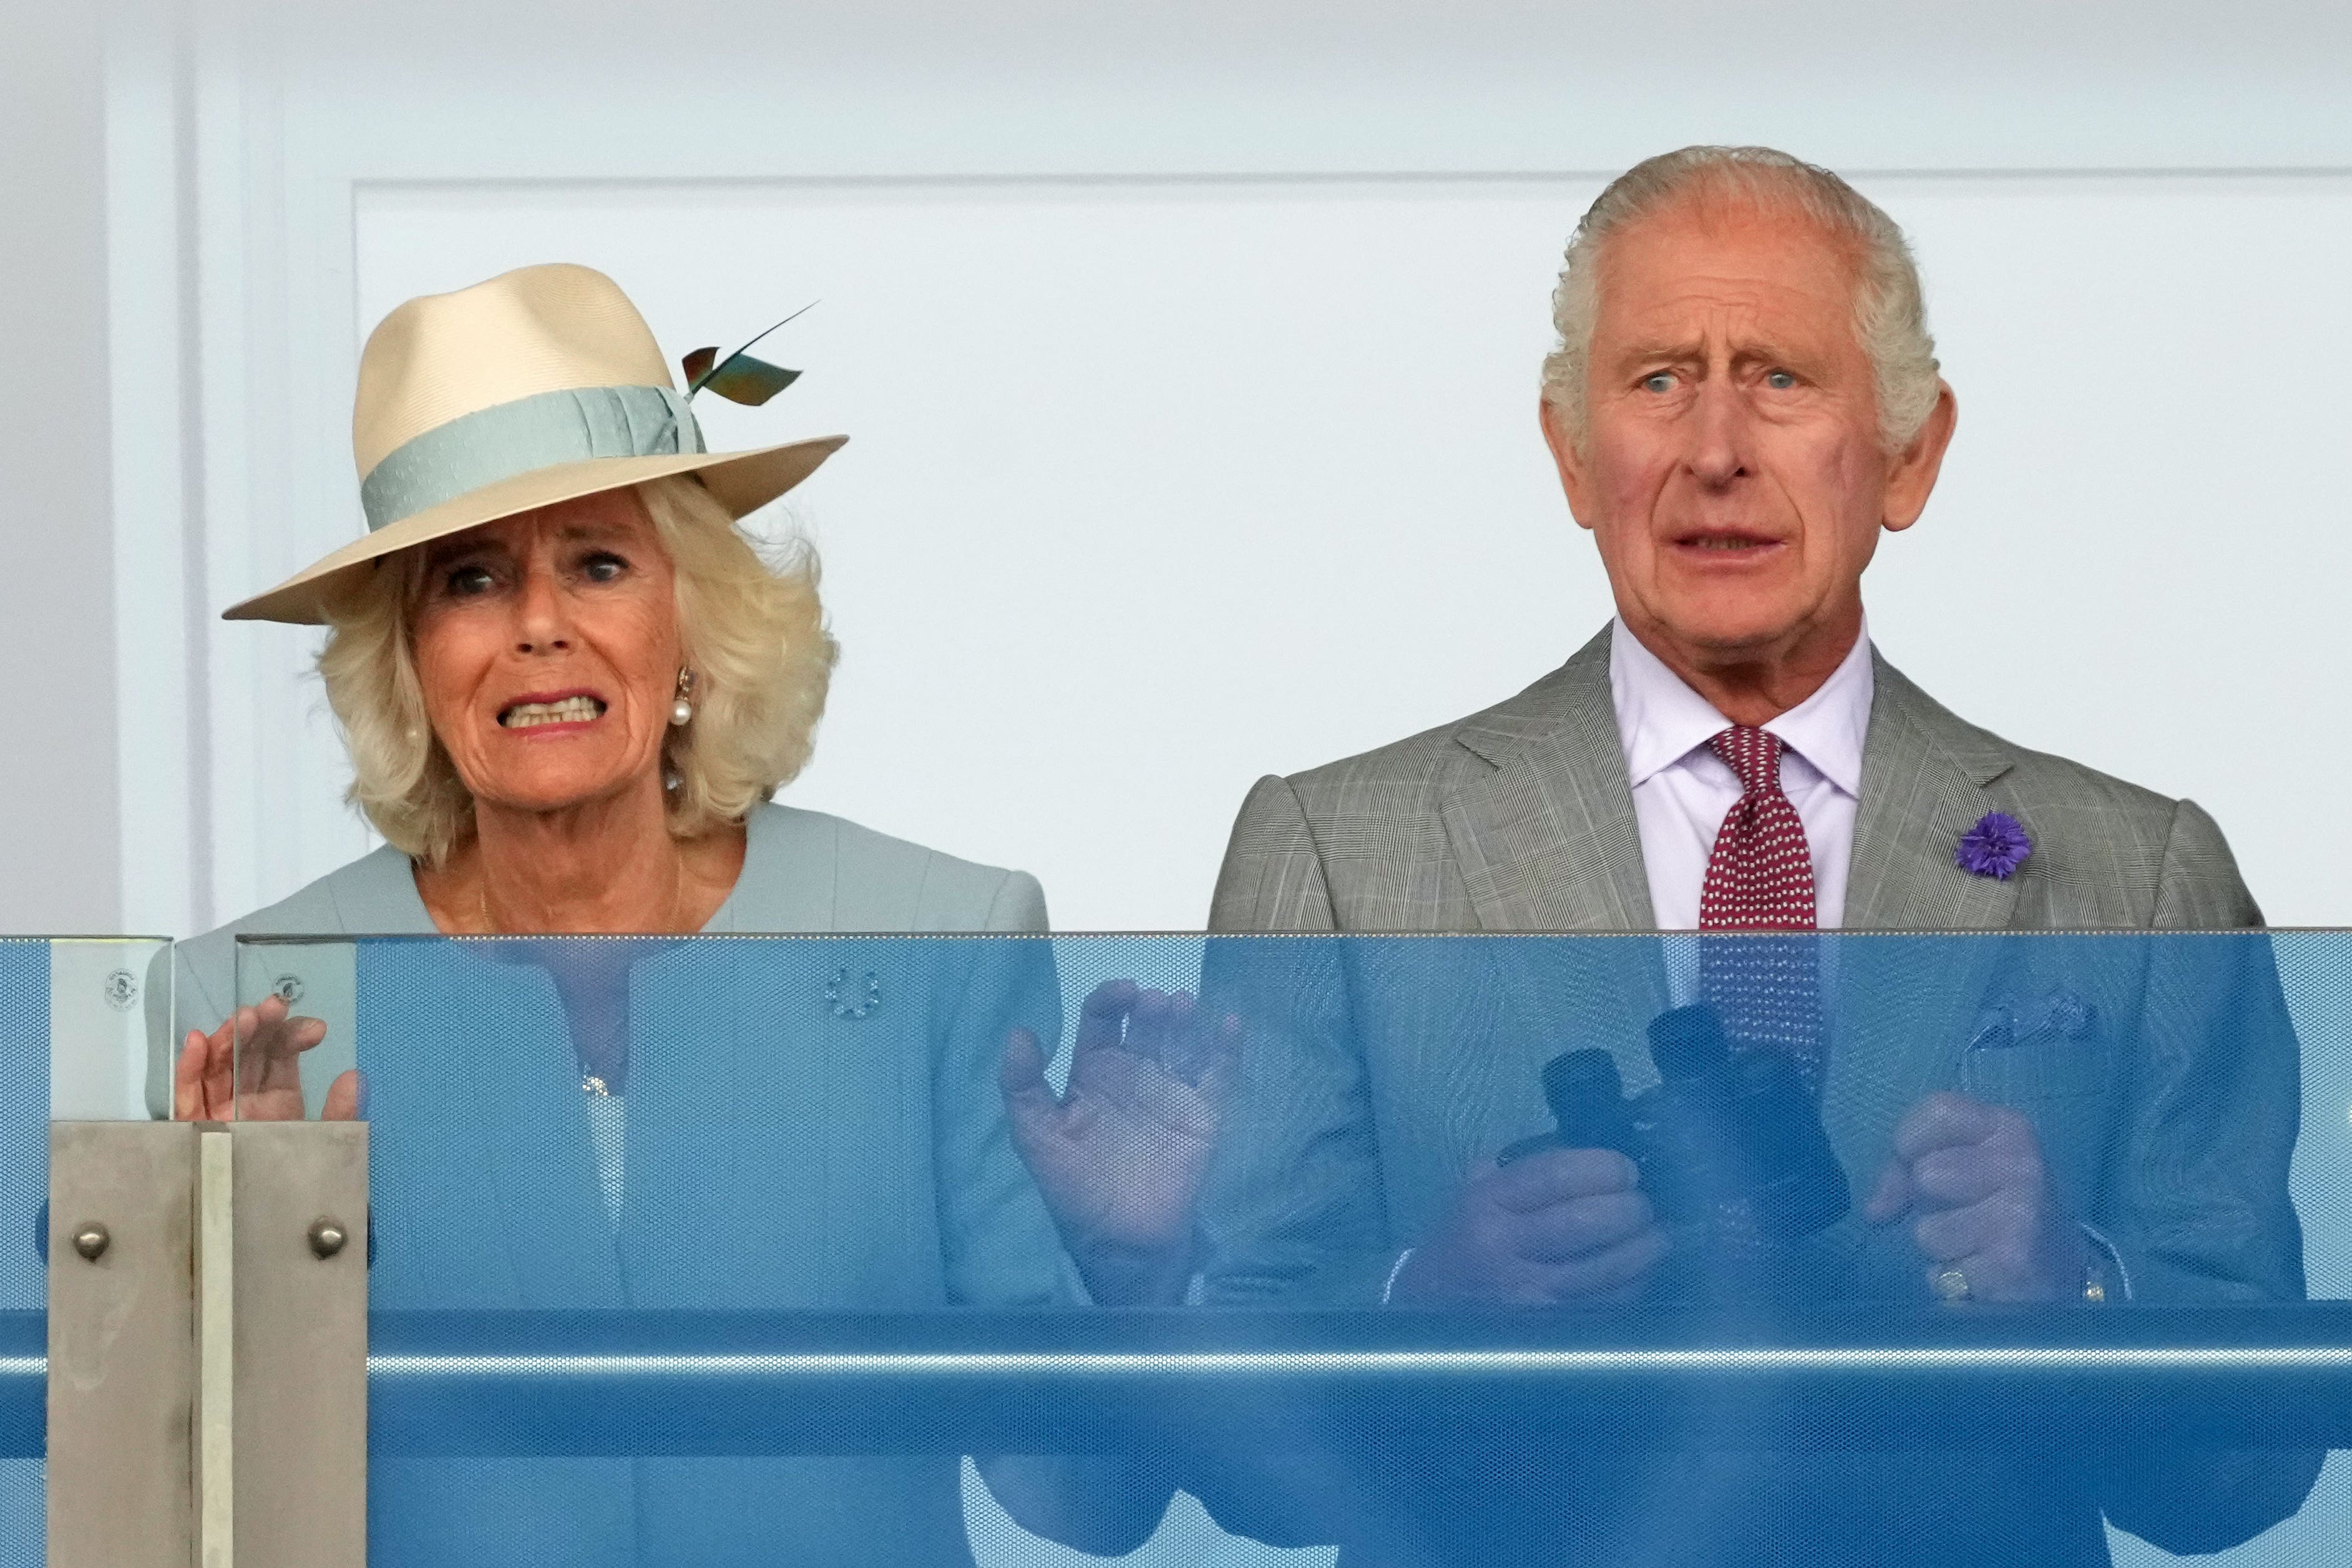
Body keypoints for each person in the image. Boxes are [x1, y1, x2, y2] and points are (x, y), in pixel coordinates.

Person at [1199, 146, 2317, 1565]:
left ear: (1909, 454)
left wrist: (2078, 1296)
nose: (1713, 447)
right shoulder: (1335, 850)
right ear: (1568, 451)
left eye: (1779, 378)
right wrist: (1424, 1307)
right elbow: (1226, 1456)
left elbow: (2250, 1471)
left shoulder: (2137, 871)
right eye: (1658, 377)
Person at [169, 263, 1215, 1565]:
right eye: (471, 581)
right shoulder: (253, 999)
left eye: (600, 563)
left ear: (696, 628)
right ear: (407, 658)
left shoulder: (941, 937)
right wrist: (254, 1294)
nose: (540, 627)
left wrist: (1126, 1284)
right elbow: (209, 1531)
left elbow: (1085, 1507)